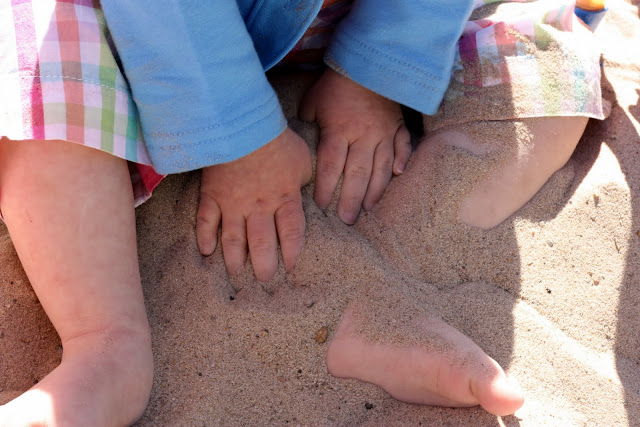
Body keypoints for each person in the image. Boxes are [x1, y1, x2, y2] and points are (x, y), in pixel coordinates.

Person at [0, 0, 603, 425]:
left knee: (548, 50)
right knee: (39, 48)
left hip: (354, 21)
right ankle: (105, 345)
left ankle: (391, 286)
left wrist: (375, 74)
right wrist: (242, 143)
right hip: (154, 33)